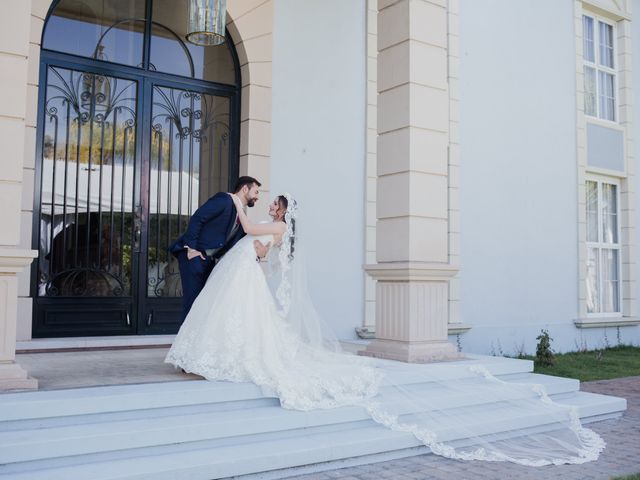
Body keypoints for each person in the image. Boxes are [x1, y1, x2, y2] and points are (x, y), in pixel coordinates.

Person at [166, 193, 605, 466]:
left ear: (285, 212)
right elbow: (258, 251)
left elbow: (250, 231)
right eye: (271, 202)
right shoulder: (277, 228)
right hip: (242, 278)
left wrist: (238, 204)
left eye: (278, 203)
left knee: (256, 333)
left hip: (243, 276)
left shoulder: (275, 225)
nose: (273, 206)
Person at [169, 176, 269, 320]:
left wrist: (259, 252)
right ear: (245, 189)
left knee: (204, 305)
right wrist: (191, 249)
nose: (257, 197)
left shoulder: (241, 216)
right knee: (192, 306)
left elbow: (241, 243)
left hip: (210, 263)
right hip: (194, 258)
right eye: (256, 192)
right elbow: (198, 218)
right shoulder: (224, 200)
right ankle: (184, 342)